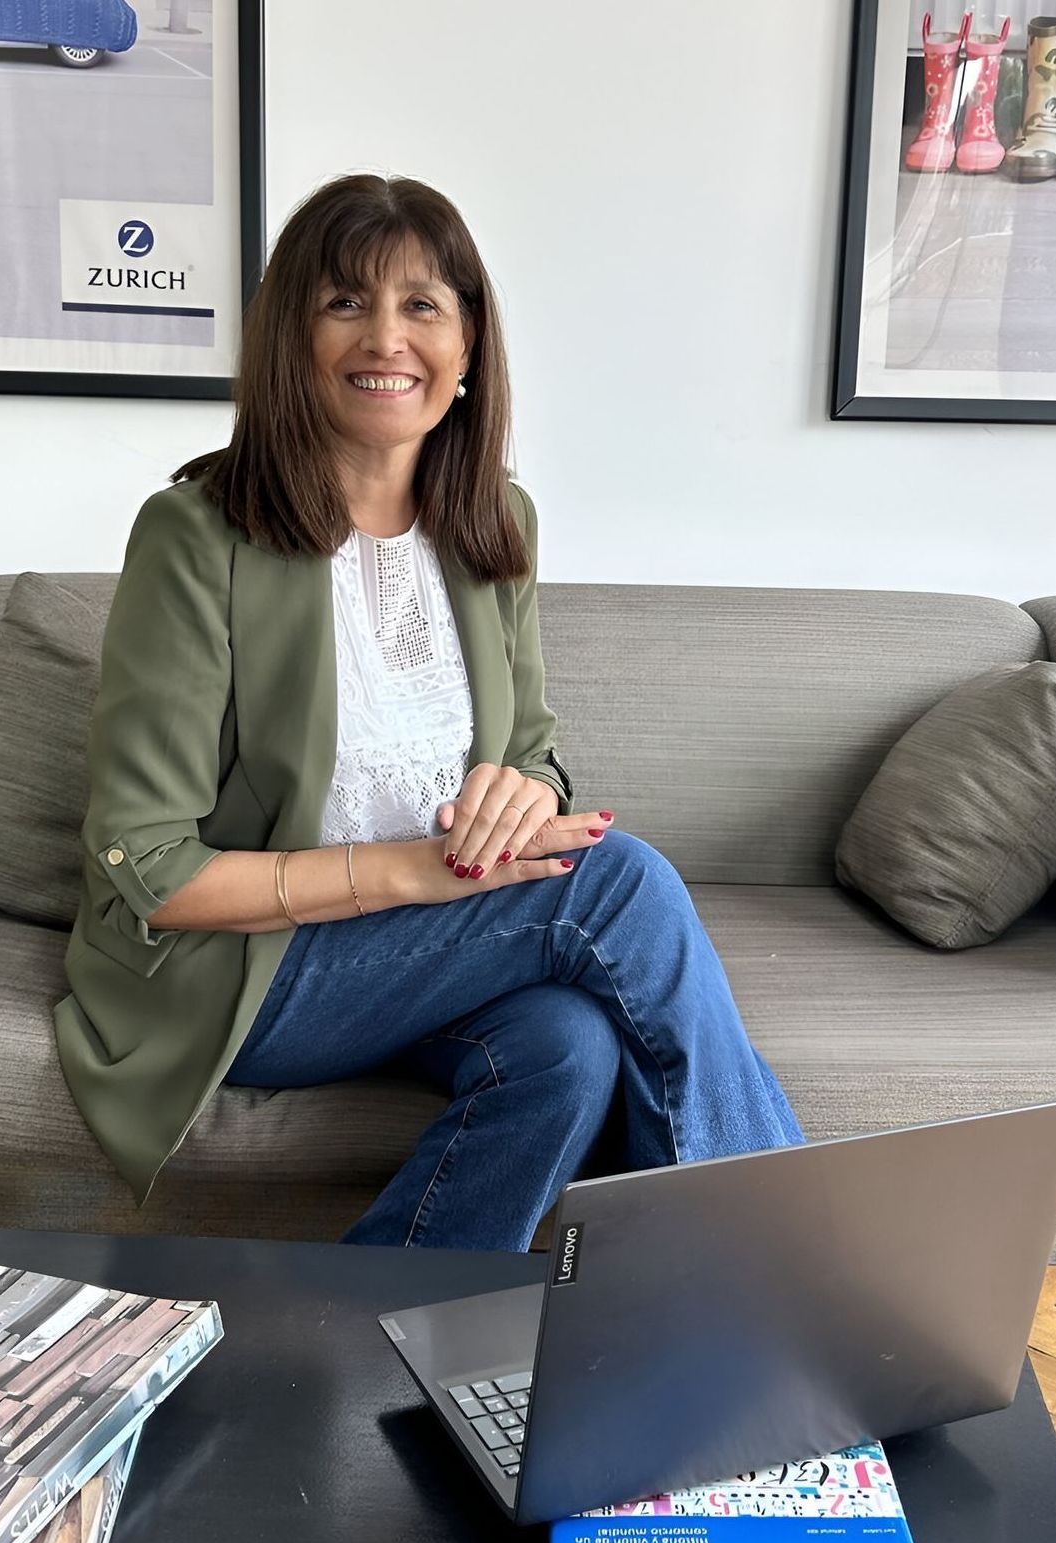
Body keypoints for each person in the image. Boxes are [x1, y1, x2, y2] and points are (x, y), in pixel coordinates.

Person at [53, 174, 803, 1251]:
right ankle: (771, 1279)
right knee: (618, 880)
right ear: (289, 339)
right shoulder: (196, 536)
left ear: (467, 347)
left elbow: (535, 749)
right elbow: (154, 868)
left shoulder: (493, 522)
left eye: (423, 304)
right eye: (344, 302)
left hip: (427, 950)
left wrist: (522, 790)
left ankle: (365, 1325)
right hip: (245, 969)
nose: (386, 337)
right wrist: (407, 869)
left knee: (566, 1046)